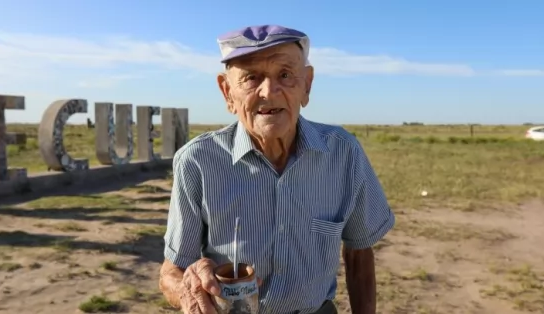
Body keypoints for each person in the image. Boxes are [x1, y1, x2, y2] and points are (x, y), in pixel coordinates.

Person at [158, 24, 395, 314]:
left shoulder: (344, 153)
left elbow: (359, 255)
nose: (269, 92)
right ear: (227, 92)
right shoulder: (197, 161)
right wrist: (188, 289)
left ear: (306, 85)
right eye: (251, 78)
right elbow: (172, 271)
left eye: (285, 75)